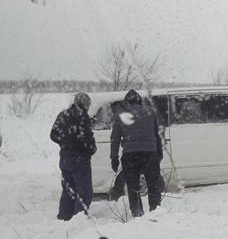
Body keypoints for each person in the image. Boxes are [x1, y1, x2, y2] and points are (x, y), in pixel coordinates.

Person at [110, 89, 164, 217]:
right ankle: (155, 212)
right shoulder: (151, 112)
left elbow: (115, 138)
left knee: (133, 186)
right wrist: (159, 152)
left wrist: (114, 157)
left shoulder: (120, 114)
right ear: (140, 100)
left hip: (131, 155)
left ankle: (137, 212)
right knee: (153, 185)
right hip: (150, 153)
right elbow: (159, 134)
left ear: (126, 101)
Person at [49, 92, 97, 221]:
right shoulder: (82, 116)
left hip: (65, 158)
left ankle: (64, 217)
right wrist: (91, 149)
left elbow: (53, 134)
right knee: (85, 193)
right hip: (79, 159)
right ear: (85, 104)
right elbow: (87, 139)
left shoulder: (63, 114)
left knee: (68, 191)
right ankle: (78, 221)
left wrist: (65, 143)